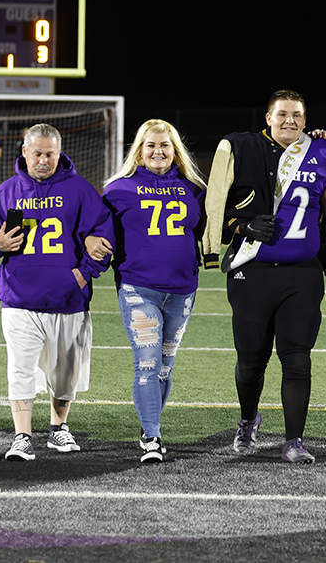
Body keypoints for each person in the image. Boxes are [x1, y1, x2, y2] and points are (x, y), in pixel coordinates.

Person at [201, 90, 326, 463]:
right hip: (252, 270)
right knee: (251, 361)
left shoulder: (323, 152)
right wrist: (239, 226)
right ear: (267, 118)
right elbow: (219, 202)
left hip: (302, 273)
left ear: (305, 119)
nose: (290, 121)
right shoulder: (242, 147)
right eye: (282, 114)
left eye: (297, 115)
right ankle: (248, 419)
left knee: (298, 358)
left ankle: (294, 441)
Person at [0, 123, 114, 462]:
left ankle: (58, 428)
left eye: (50, 154)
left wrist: (82, 277)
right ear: (24, 152)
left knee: (64, 374)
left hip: (68, 302)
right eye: (37, 153)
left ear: (59, 152)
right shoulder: (8, 190)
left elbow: (103, 240)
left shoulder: (80, 190)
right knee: (20, 369)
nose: (43, 160)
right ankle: (22, 436)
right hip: (19, 300)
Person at [93, 119, 207, 463]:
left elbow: (203, 232)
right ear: (139, 151)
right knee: (146, 363)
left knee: (163, 367)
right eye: (151, 146)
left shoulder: (194, 188)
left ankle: (149, 426)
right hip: (139, 288)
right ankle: (152, 437)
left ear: (176, 151)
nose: (158, 151)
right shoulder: (117, 189)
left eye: (165, 146)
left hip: (183, 289)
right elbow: (98, 230)